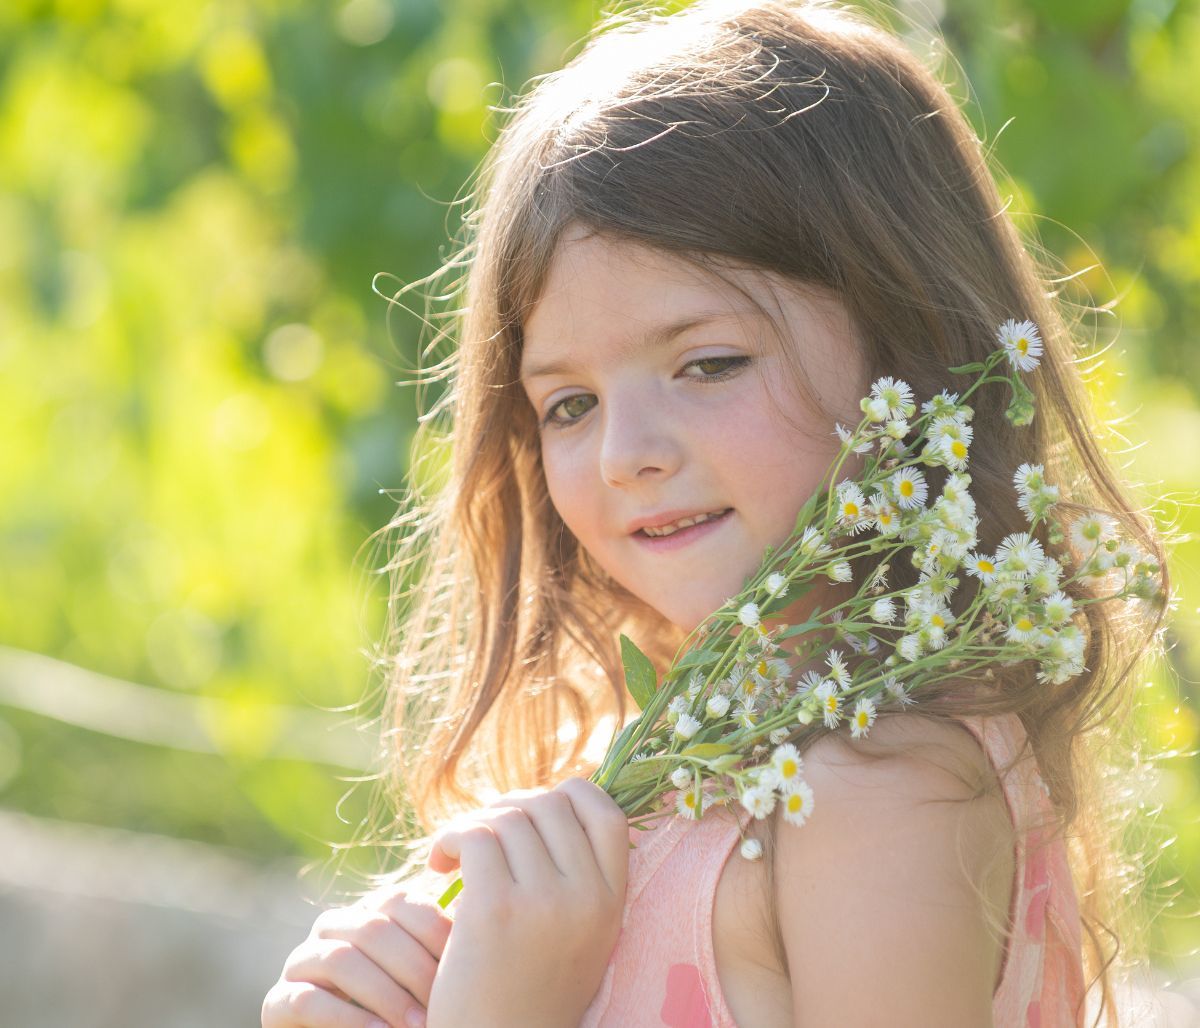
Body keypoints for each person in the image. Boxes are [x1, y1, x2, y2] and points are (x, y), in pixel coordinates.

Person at [261, 1, 1169, 1025]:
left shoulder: (875, 792)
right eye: (571, 402)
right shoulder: (638, 761)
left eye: (708, 364)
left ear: (905, 347)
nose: (627, 453)